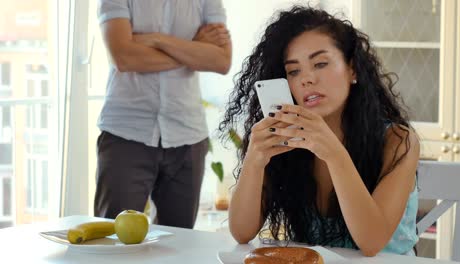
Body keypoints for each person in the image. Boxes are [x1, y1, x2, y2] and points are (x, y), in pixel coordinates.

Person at [220, 5, 420, 256]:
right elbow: (241, 232)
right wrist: (254, 160)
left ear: (353, 69)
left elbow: (371, 243)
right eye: (294, 71)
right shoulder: (286, 141)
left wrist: (334, 154)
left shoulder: (398, 140)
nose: (307, 79)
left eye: (320, 63)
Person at [94, 0, 232, 229]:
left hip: (188, 135)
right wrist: (193, 47)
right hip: (126, 133)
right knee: (113, 239)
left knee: (179, 243)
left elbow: (221, 60)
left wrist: (156, 39)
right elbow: (124, 58)